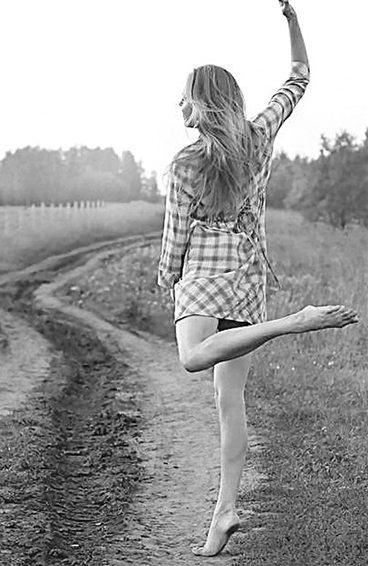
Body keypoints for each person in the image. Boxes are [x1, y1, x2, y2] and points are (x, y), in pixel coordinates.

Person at [157, 0, 358, 558]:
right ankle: (225, 511)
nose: (178, 104)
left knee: (192, 358)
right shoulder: (259, 134)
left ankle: (293, 323)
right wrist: (293, 21)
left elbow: (175, 237)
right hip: (247, 274)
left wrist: (168, 279)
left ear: (203, 103)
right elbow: (299, 78)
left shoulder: (185, 163)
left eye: (184, 96)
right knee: (230, 398)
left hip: (203, 270)